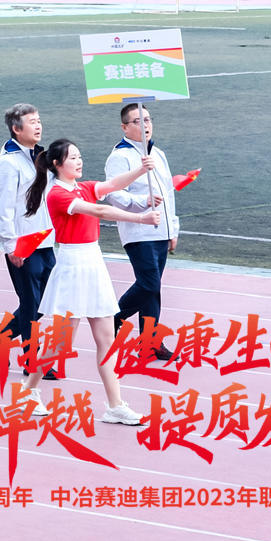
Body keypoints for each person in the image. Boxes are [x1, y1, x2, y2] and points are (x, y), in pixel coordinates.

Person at [16, 138, 160, 425]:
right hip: (73, 266)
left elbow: (113, 184)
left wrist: (140, 170)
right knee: (61, 343)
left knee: (107, 338)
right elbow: (100, 211)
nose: (79, 161)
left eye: (79, 156)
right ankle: (29, 390)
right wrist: (141, 219)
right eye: (72, 158)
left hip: (94, 264)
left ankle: (115, 405)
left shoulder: (84, 187)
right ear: (57, 164)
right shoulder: (57, 194)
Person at [105, 103, 180, 362]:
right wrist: (142, 202)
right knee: (149, 283)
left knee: (153, 289)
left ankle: (149, 343)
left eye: (147, 119)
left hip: (161, 229)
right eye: (138, 121)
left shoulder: (157, 153)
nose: (145, 125)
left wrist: (173, 228)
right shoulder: (120, 157)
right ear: (125, 127)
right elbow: (113, 194)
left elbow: (168, 193)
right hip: (139, 230)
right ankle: (115, 318)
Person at [0, 103, 55, 353]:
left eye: (39, 121)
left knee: (44, 300)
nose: (38, 126)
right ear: (17, 129)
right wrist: (11, 245)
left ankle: (0, 339)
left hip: (46, 239)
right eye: (32, 122)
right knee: (30, 303)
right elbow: (3, 207)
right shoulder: (8, 162)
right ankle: (32, 360)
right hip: (24, 243)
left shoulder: (41, 157)